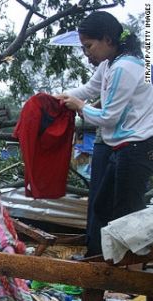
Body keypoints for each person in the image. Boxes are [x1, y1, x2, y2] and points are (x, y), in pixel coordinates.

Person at [56, 11, 153, 257]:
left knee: (127, 213)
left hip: (136, 147)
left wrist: (79, 106)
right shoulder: (109, 64)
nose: (86, 52)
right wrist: (59, 96)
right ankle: (103, 261)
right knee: (102, 206)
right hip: (119, 147)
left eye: (89, 46)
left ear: (108, 40)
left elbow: (108, 117)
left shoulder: (126, 68)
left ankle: (130, 273)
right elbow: (89, 88)